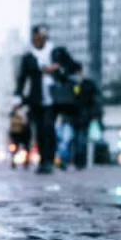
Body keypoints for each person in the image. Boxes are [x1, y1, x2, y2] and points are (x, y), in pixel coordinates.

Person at [15, 24, 81, 175]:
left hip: (55, 97)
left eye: (39, 37)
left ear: (44, 37)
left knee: (48, 127)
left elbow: (74, 67)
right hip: (36, 98)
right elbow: (22, 79)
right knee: (38, 130)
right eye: (34, 38)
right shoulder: (29, 57)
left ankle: (49, 161)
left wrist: (57, 68)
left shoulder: (57, 52)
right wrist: (17, 97)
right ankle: (43, 160)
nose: (36, 40)